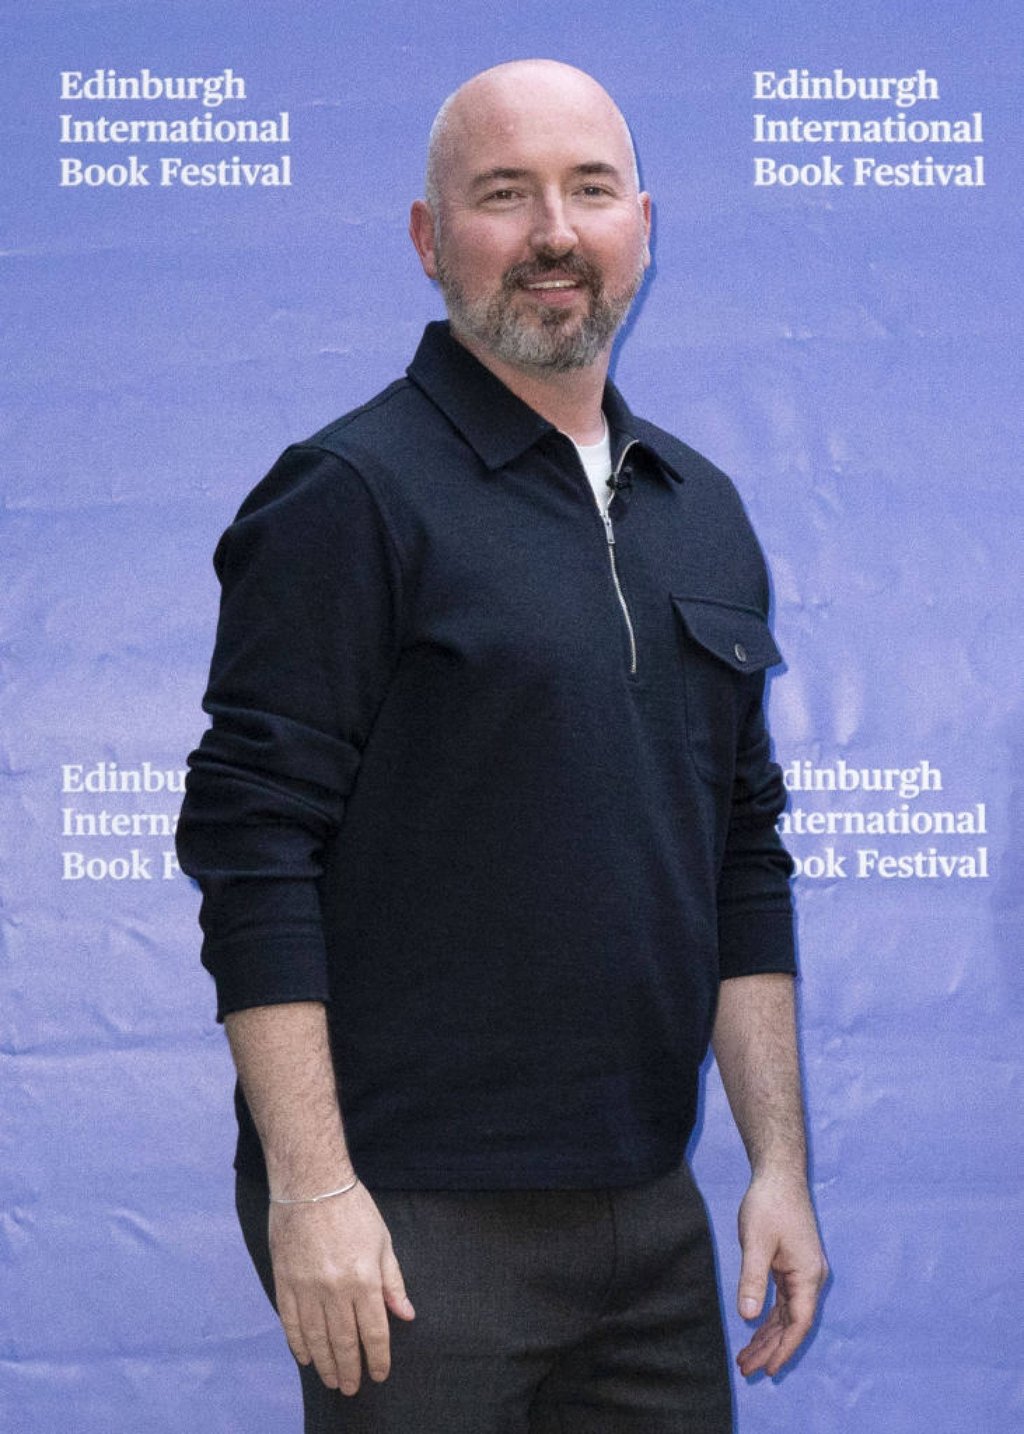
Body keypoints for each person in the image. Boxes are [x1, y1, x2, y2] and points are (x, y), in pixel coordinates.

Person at [177, 58, 827, 1433]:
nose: (553, 232)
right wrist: (313, 1189)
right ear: (429, 241)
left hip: (649, 1216)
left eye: (589, 190)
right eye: (502, 194)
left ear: (642, 225)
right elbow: (253, 851)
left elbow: (739, 854)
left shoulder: (700, 509)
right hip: (411, 1224)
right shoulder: (347, 496)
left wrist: (777, 1163)